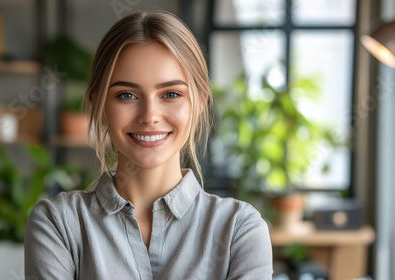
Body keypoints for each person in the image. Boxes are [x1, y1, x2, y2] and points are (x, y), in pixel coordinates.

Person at [25, 10, 272, 280]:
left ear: (200, 102)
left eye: (171, 94)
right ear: (98, 104)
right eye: (127, 95)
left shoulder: (239, 229)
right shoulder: (58, 224)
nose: (149, 116)